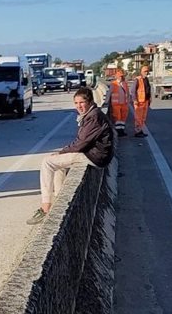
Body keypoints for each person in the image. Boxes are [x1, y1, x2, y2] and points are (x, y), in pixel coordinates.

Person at [30, 87, 114, 224]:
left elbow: (80, 144)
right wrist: (63, 153)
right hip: (95, 154)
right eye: (76, 103)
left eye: (82, 102)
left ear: (90, 102)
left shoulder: (94, 118)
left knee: (47, 162)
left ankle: (45, 207)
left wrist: (62, 152)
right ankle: (59, 201)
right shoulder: (93, 114)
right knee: (58, 164)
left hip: (94, 156)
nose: (78, 106)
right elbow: (81, 142)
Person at [132, 65, 152, 138]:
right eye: (145, 71)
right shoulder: (137, 80)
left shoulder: (146, 79)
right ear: (141, 72)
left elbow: (148, 90)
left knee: (143, 117)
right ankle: (137, 131)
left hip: (145, 101)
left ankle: (140, 130)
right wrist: (135, 100)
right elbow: (133, 91)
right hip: (139, 102)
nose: (146, 73)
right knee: (138, 118)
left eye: (147, 71)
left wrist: (149, 99)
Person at [109, 70, 130, 137]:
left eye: (122, 76)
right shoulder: (113, 84)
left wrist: (128, 101)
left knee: (123, 118)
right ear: (117, 77)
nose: (121, 77)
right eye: (120, 76)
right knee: (117, 118)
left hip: (124, 104)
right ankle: (118, 131)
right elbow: (109, 93)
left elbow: (128, 93)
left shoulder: (124, 84)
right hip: (116, 104)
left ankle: (122, 130)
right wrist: (106, 102)